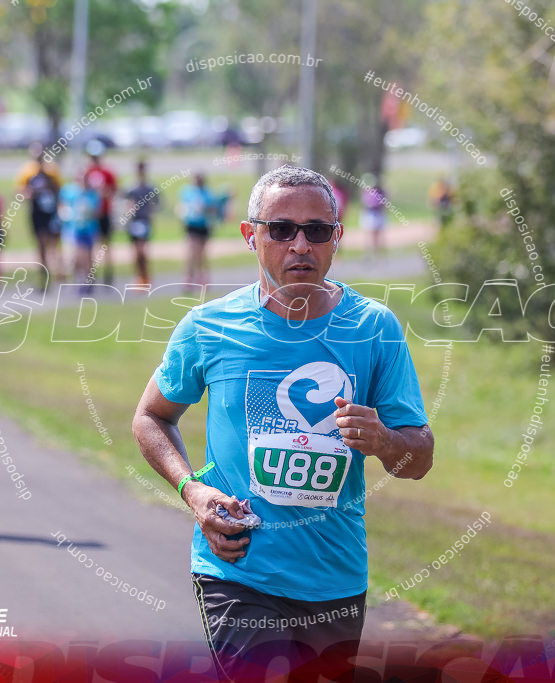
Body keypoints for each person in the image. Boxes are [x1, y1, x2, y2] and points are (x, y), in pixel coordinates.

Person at [133, 166, 434, 680]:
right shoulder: (209, 327)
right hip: (239, 568)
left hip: (334, 577)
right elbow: (151, 417)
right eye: (281, 229)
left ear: (336, 240)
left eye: (317, 231)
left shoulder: (373, 327)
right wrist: (192, 491)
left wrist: (383, 441)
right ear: (252, 236)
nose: (300, 245)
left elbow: (418, 459)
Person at [16, 145, 62, 288]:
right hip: (37, 213)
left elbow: (58, 190)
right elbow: (20, 192)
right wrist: (29, 194)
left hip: (50, 212)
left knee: (53, 244)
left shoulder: (52, 171)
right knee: (40, 244)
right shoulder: (27, 172)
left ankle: (58, 274)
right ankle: (43, 274)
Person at [82, 141, 117, 285]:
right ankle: (91, 275)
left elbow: (113, 190)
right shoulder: (86, 172)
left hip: (104, 212)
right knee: (89, 245)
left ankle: (108, 274)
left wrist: (104, 194)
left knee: (105, 244)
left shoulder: (107, 172)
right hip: (91, 215)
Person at [58, 173, 100, 290]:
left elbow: (96, 212)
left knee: (88, 256)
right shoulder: (70, 192)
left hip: (89, 229)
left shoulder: (92, 194)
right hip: (76, 229)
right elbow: (63, 206)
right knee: (79, 256)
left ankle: (89, 280)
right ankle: (84, 279)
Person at [178, 173, 218, 289]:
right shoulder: (188, 192)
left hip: (203, 225)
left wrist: (205, 210)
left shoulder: (207, 193)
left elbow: (212, 209)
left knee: (201, 253)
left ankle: (202, 276)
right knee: (191, 252)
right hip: (192, 225)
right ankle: (189, 277)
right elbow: (182, 207)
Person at [124, 160, 158, 288]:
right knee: (135, 252)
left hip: (144, 221)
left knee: (141, 250)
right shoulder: (130, 188)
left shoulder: (150, 188)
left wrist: (150, 212)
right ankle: (139, 276)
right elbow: (125, 204)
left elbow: (157, 204)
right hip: (133, 222)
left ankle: (145, 276)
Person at [359, 174, 387, 253]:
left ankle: (377, 251)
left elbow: (383, 203)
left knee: (377, 234)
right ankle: (368, 251)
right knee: (368, 233)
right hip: (369, 213)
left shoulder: (380, 192)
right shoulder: (365, 192)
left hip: (377, 213)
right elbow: (364, 203)